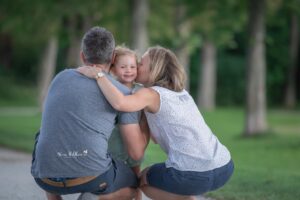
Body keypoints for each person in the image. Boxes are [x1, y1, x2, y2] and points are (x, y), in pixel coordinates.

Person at [77, 46, 234, 200]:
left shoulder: (151, 94)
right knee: (169, 179)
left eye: (141, 63)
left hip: (191, 174)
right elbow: (156, 138)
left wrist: (98, 75)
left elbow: (120, 103)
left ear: (154, 69)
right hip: (224, 166)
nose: (137, 66)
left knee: (144, 179)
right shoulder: (182, 93)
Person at [31, 26, 149, 200]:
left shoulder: (60, 78)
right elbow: (135, 154)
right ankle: (93, 197)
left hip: (44, 178)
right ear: (113, 58)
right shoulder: (123, 93)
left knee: (42, 135)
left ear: (82, 56)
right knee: (133, 182)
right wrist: (146, 122)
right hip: (93, 178)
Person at [108, 45, 144, 200]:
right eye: (123, 67)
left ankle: (138, 196)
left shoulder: (141, 90)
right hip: (115, 139)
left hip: (134, 138)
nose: (128, 70)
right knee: (114, 173)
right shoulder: (111, 89)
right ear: (114, 69)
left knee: (136, 174)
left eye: (132, 67)